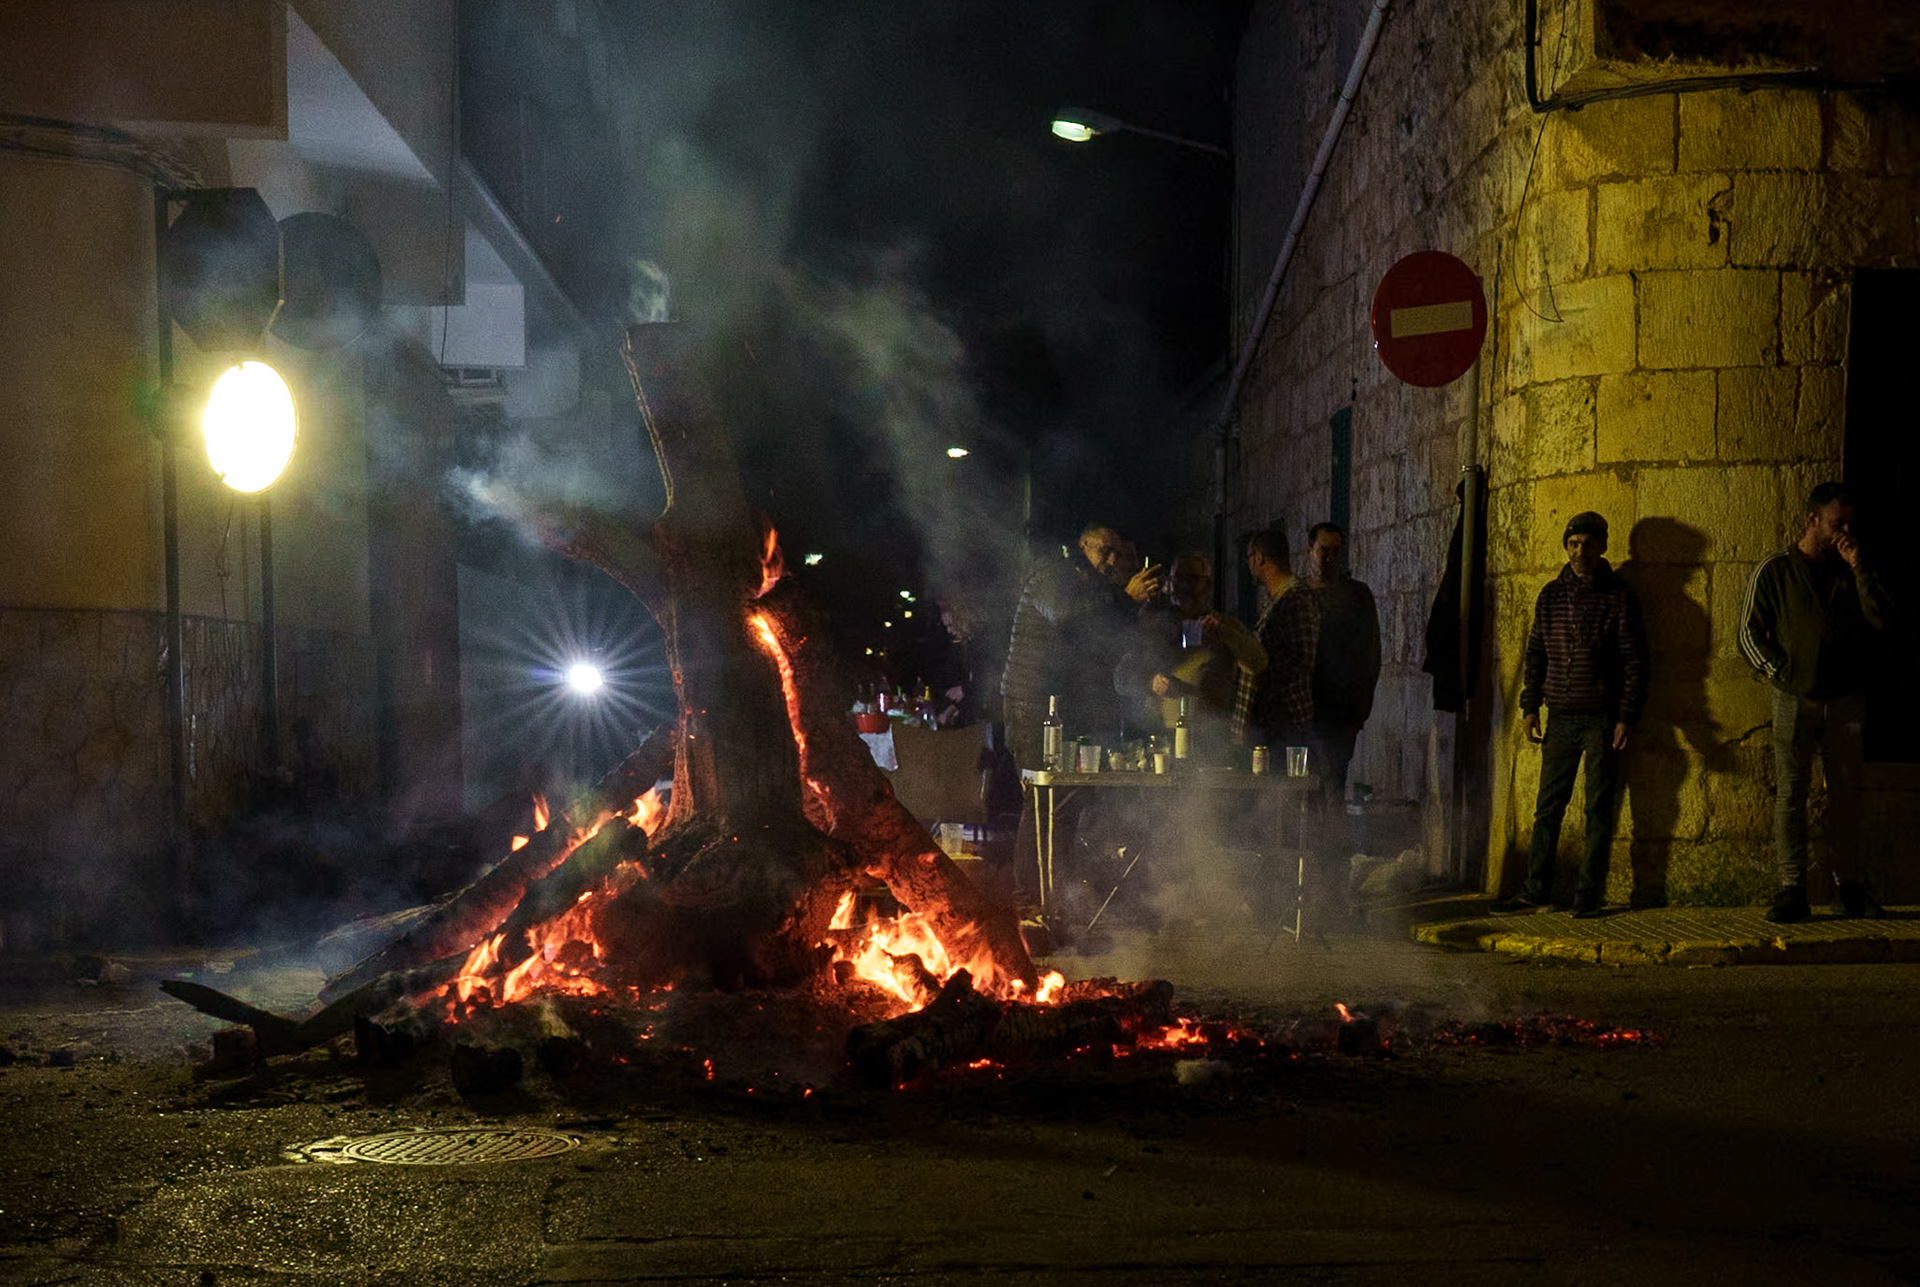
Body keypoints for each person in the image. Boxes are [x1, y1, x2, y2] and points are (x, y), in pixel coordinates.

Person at [1740, 483, 1895, 923]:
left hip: (1846, 700)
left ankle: (1849, 887)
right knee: (1791, 794)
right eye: (1837, 522)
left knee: (1847, 795)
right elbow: (1749, 632)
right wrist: (1782, 674)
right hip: (1794, 699)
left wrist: (1860, 568)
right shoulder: (1775, 570)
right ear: (1812, 520)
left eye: (1849, 522)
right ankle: (1792, 888)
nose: (1845, 530)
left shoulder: (1852, 568)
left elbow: (1882, 618)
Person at [1495, 511, 1648, 918]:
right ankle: (1535, 889)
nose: (1579, 551)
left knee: (1598, 810)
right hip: (1561, 718)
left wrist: (1625, 716)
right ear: (1566, 546)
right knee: (1548, 808)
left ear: (1601, 548)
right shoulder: (1551, 596)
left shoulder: (1618, 597)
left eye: (1587, 544)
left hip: (1600, 719)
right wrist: (1530, 707)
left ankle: (1587, 895)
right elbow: (1537, 654)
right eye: (1573, 543)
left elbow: (1634, 661)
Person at [1116, 552, 1266, 764]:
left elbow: (1258, 662)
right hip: (1161, 740)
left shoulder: (1223, 625)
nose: (1184, 586)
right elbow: (1121, 676)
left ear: (1207, 584)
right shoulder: (1153, 625)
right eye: (1179, 578)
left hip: (1209, 740)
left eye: (1192, 579)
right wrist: (1150, 682)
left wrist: (1224, 633)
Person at [1303, 522, 1381, 814]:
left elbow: (1370, 656)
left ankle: (1328, 854)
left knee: (1332, 790)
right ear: (1310, 550)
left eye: (1336, 551)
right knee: (1302, 793)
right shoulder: (1298, 594)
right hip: (1301, 711)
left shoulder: (1356, 596)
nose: (1329, 558)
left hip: (1337, 714)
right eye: (1324, 550)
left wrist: (1357, 716)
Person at [1237, 526, 1319, 753]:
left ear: (1260, 558)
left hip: (1286, 721)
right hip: (1270, 721)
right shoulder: (1274, 598)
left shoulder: (1297, 598)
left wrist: (1258, 661)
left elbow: (1301, 659)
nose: (1248, 564)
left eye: (1249, 557)